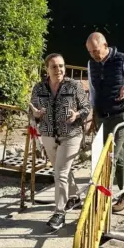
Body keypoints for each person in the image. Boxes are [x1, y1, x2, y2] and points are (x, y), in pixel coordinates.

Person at [30, 53, 91, 231]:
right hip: (48, 134)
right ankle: (74, 197)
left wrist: (77, 114)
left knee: (60, 172)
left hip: (71, 134)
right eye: (54, 66)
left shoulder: (74, 85)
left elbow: (86, 107)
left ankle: (59, 212)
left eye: (61, 66)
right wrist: (35, 114)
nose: (59, 70)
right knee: (61, 169)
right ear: (47, 69)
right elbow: (32, 110)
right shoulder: (39, 88)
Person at [86, 32, 124, 212]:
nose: (94, 55)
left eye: (96, 51)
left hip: (121, 114)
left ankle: (102, 198)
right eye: (90, 52)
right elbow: (93, 91)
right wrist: (92, 114)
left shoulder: (123, 60)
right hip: (103, 114)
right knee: (115, 157)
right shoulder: (91, 64)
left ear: (105, 45)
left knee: (111, 156)